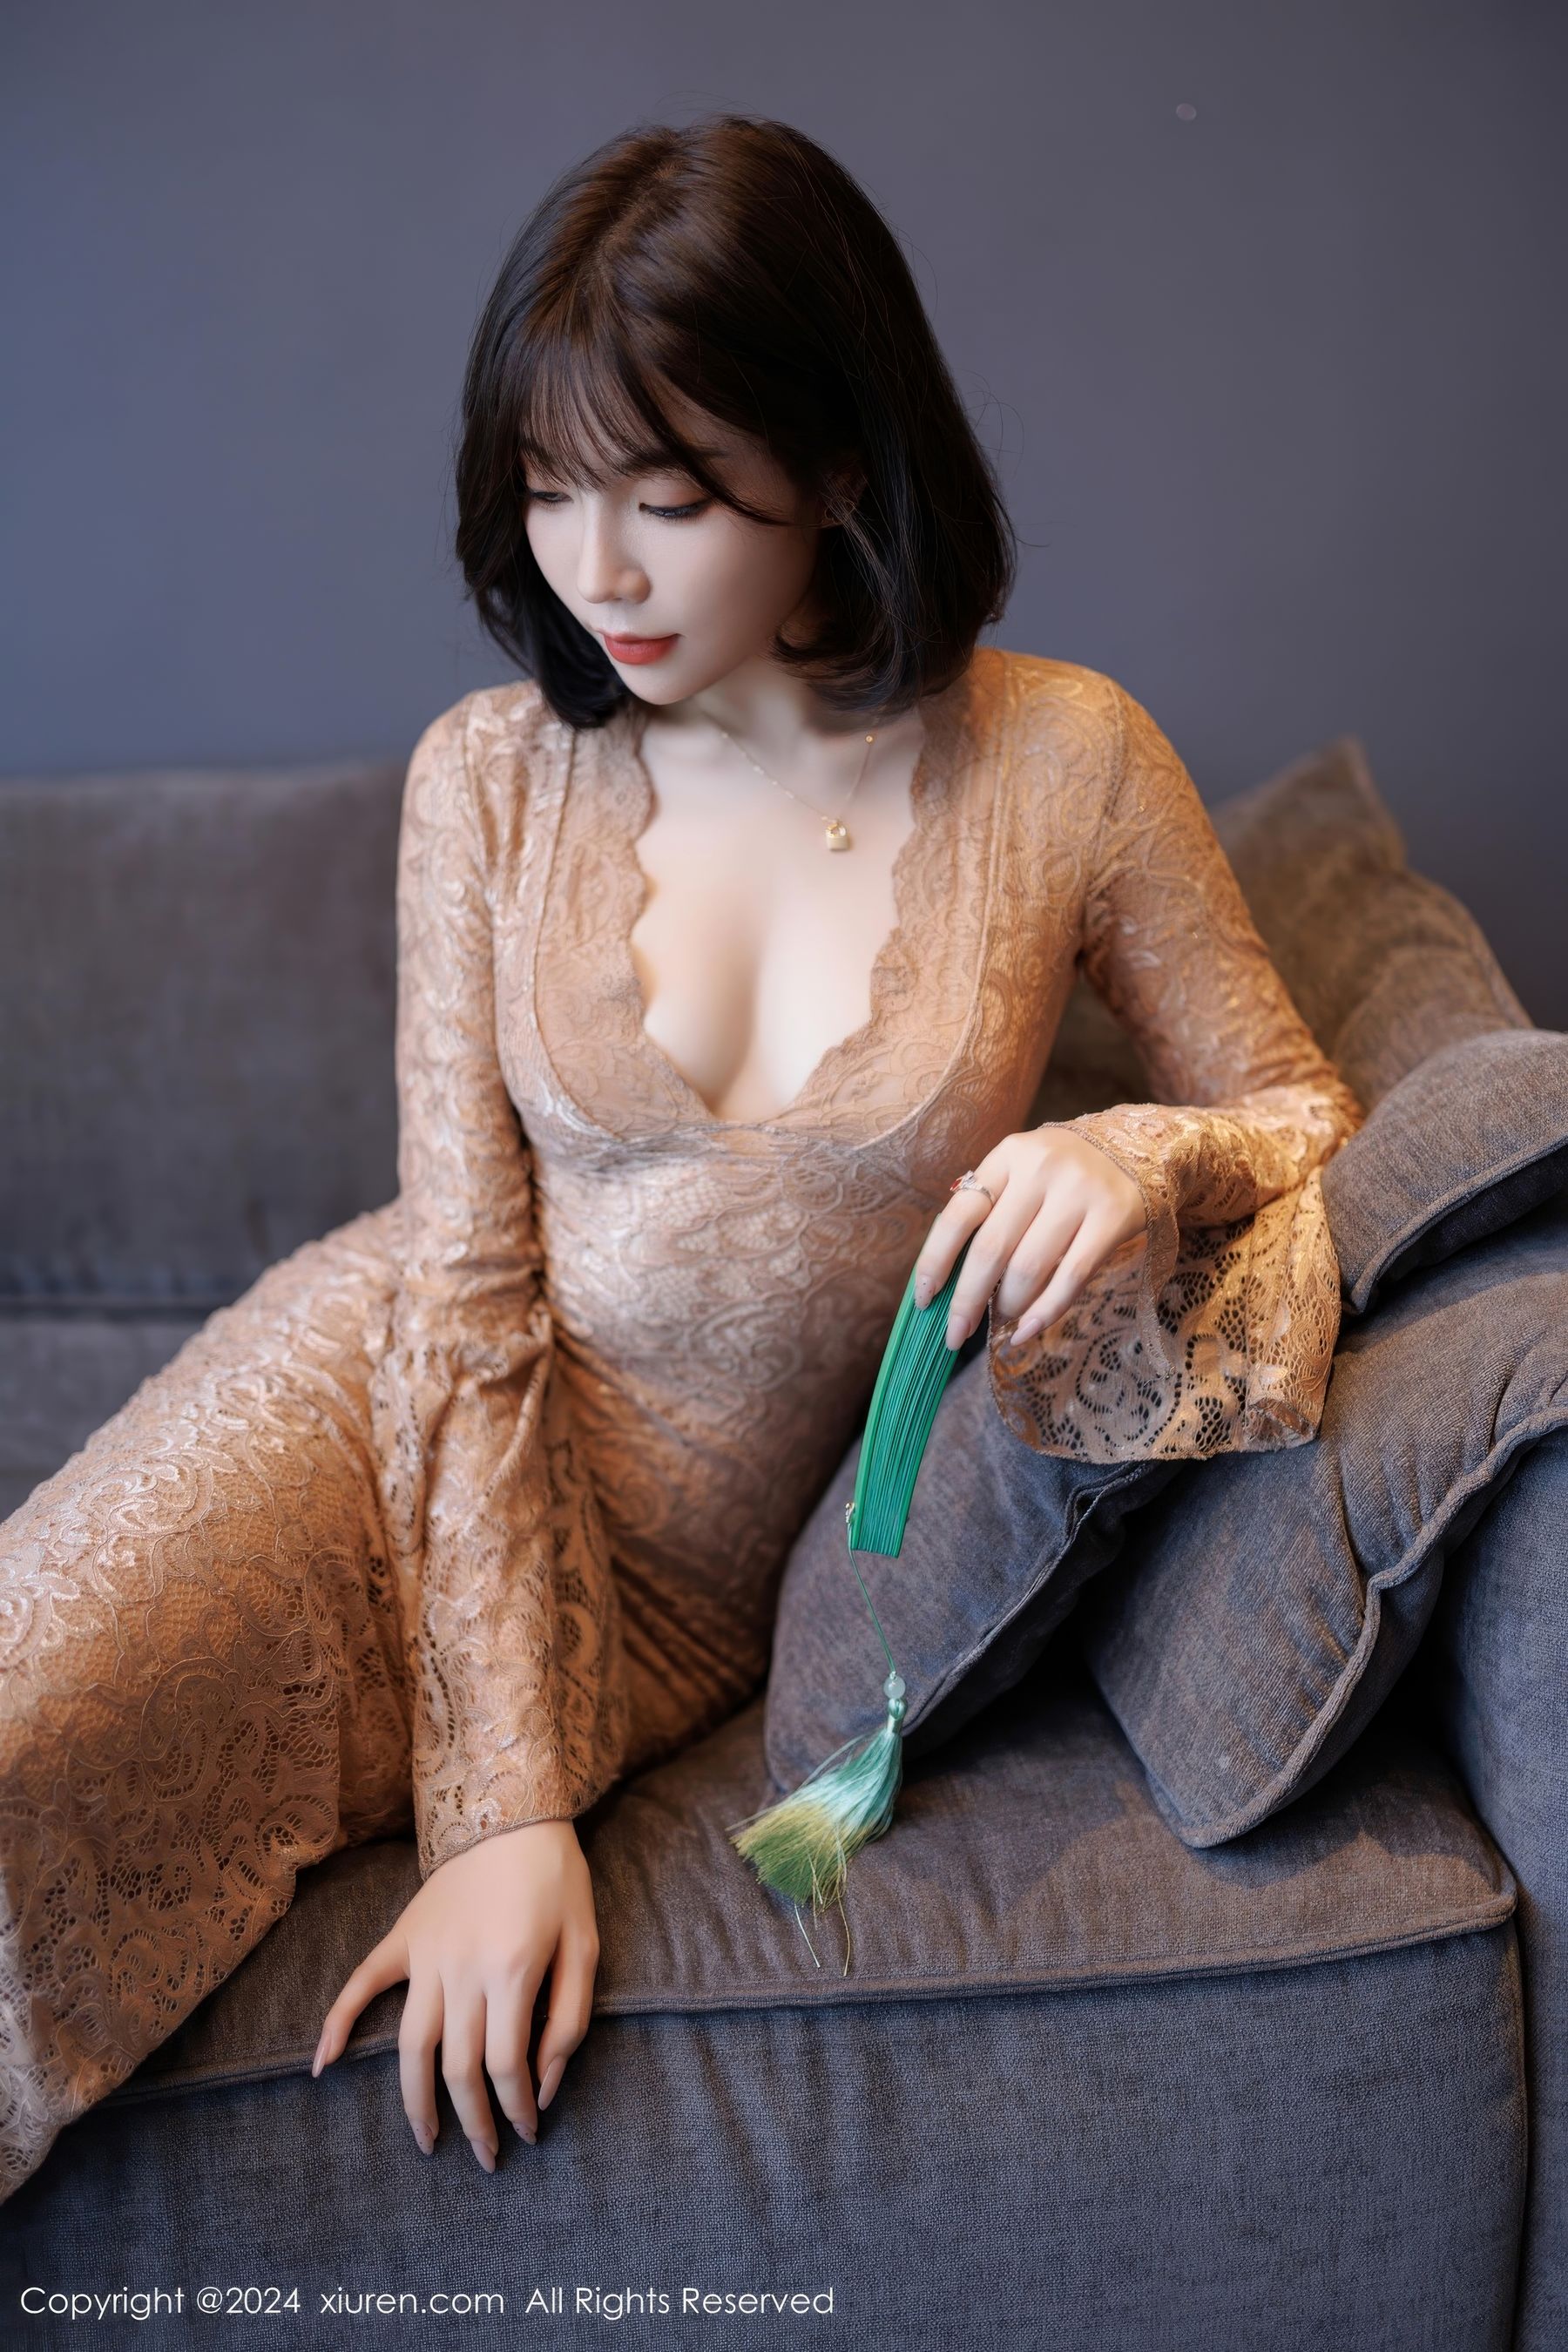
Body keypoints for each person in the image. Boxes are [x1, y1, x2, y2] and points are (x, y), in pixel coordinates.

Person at [0, 112, 1362, 2200]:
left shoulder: (1067, 762)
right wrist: (501, 1817)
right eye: (549, 492)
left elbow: (1310, 1114)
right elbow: (461, 1298)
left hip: (682, 1604)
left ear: (839, 467)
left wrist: (1141, 1151)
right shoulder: (488, 779)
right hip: (384, 1416)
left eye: (671, 497)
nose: (597, 572)